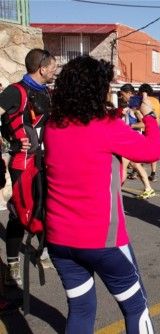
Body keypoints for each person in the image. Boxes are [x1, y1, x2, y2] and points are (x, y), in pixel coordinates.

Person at [45, 56, 160, 333]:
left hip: (60, 239)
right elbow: (153, 150)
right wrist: (149, 116)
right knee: (136, 308)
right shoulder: (106, 127)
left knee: (81, 310)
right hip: (103, 240)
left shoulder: (53, 126)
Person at [0, 48, 57, 287]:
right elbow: (3, 120)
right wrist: (9, 139)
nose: (55, 71)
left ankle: (43, 250)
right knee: (19, 212)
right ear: (42, 68)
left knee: (46, 206)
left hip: (46, 160)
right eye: (53, 67)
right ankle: (12, 264)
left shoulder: (47, 92)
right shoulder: (16, 91)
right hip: (23, 162)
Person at [119, 84, 156, 199]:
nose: (121, 97)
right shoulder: (129, 108)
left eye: (122, 94)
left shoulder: (136, 109)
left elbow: (144, 124)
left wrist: (130, 126)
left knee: (123, 166)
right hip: (129, 141)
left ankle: (114, 191)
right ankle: (148, 188)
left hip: (132, 141)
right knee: (135, 165)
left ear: (129, 93)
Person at [138, 84, 160, 182]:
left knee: (141, 150)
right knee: (154, 151)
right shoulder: (156, 101)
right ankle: (153, 173)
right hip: (156, 128)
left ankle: (138, 169)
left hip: (146, 129)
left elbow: (143, 118)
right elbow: (158, 114)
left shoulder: (144, 101)